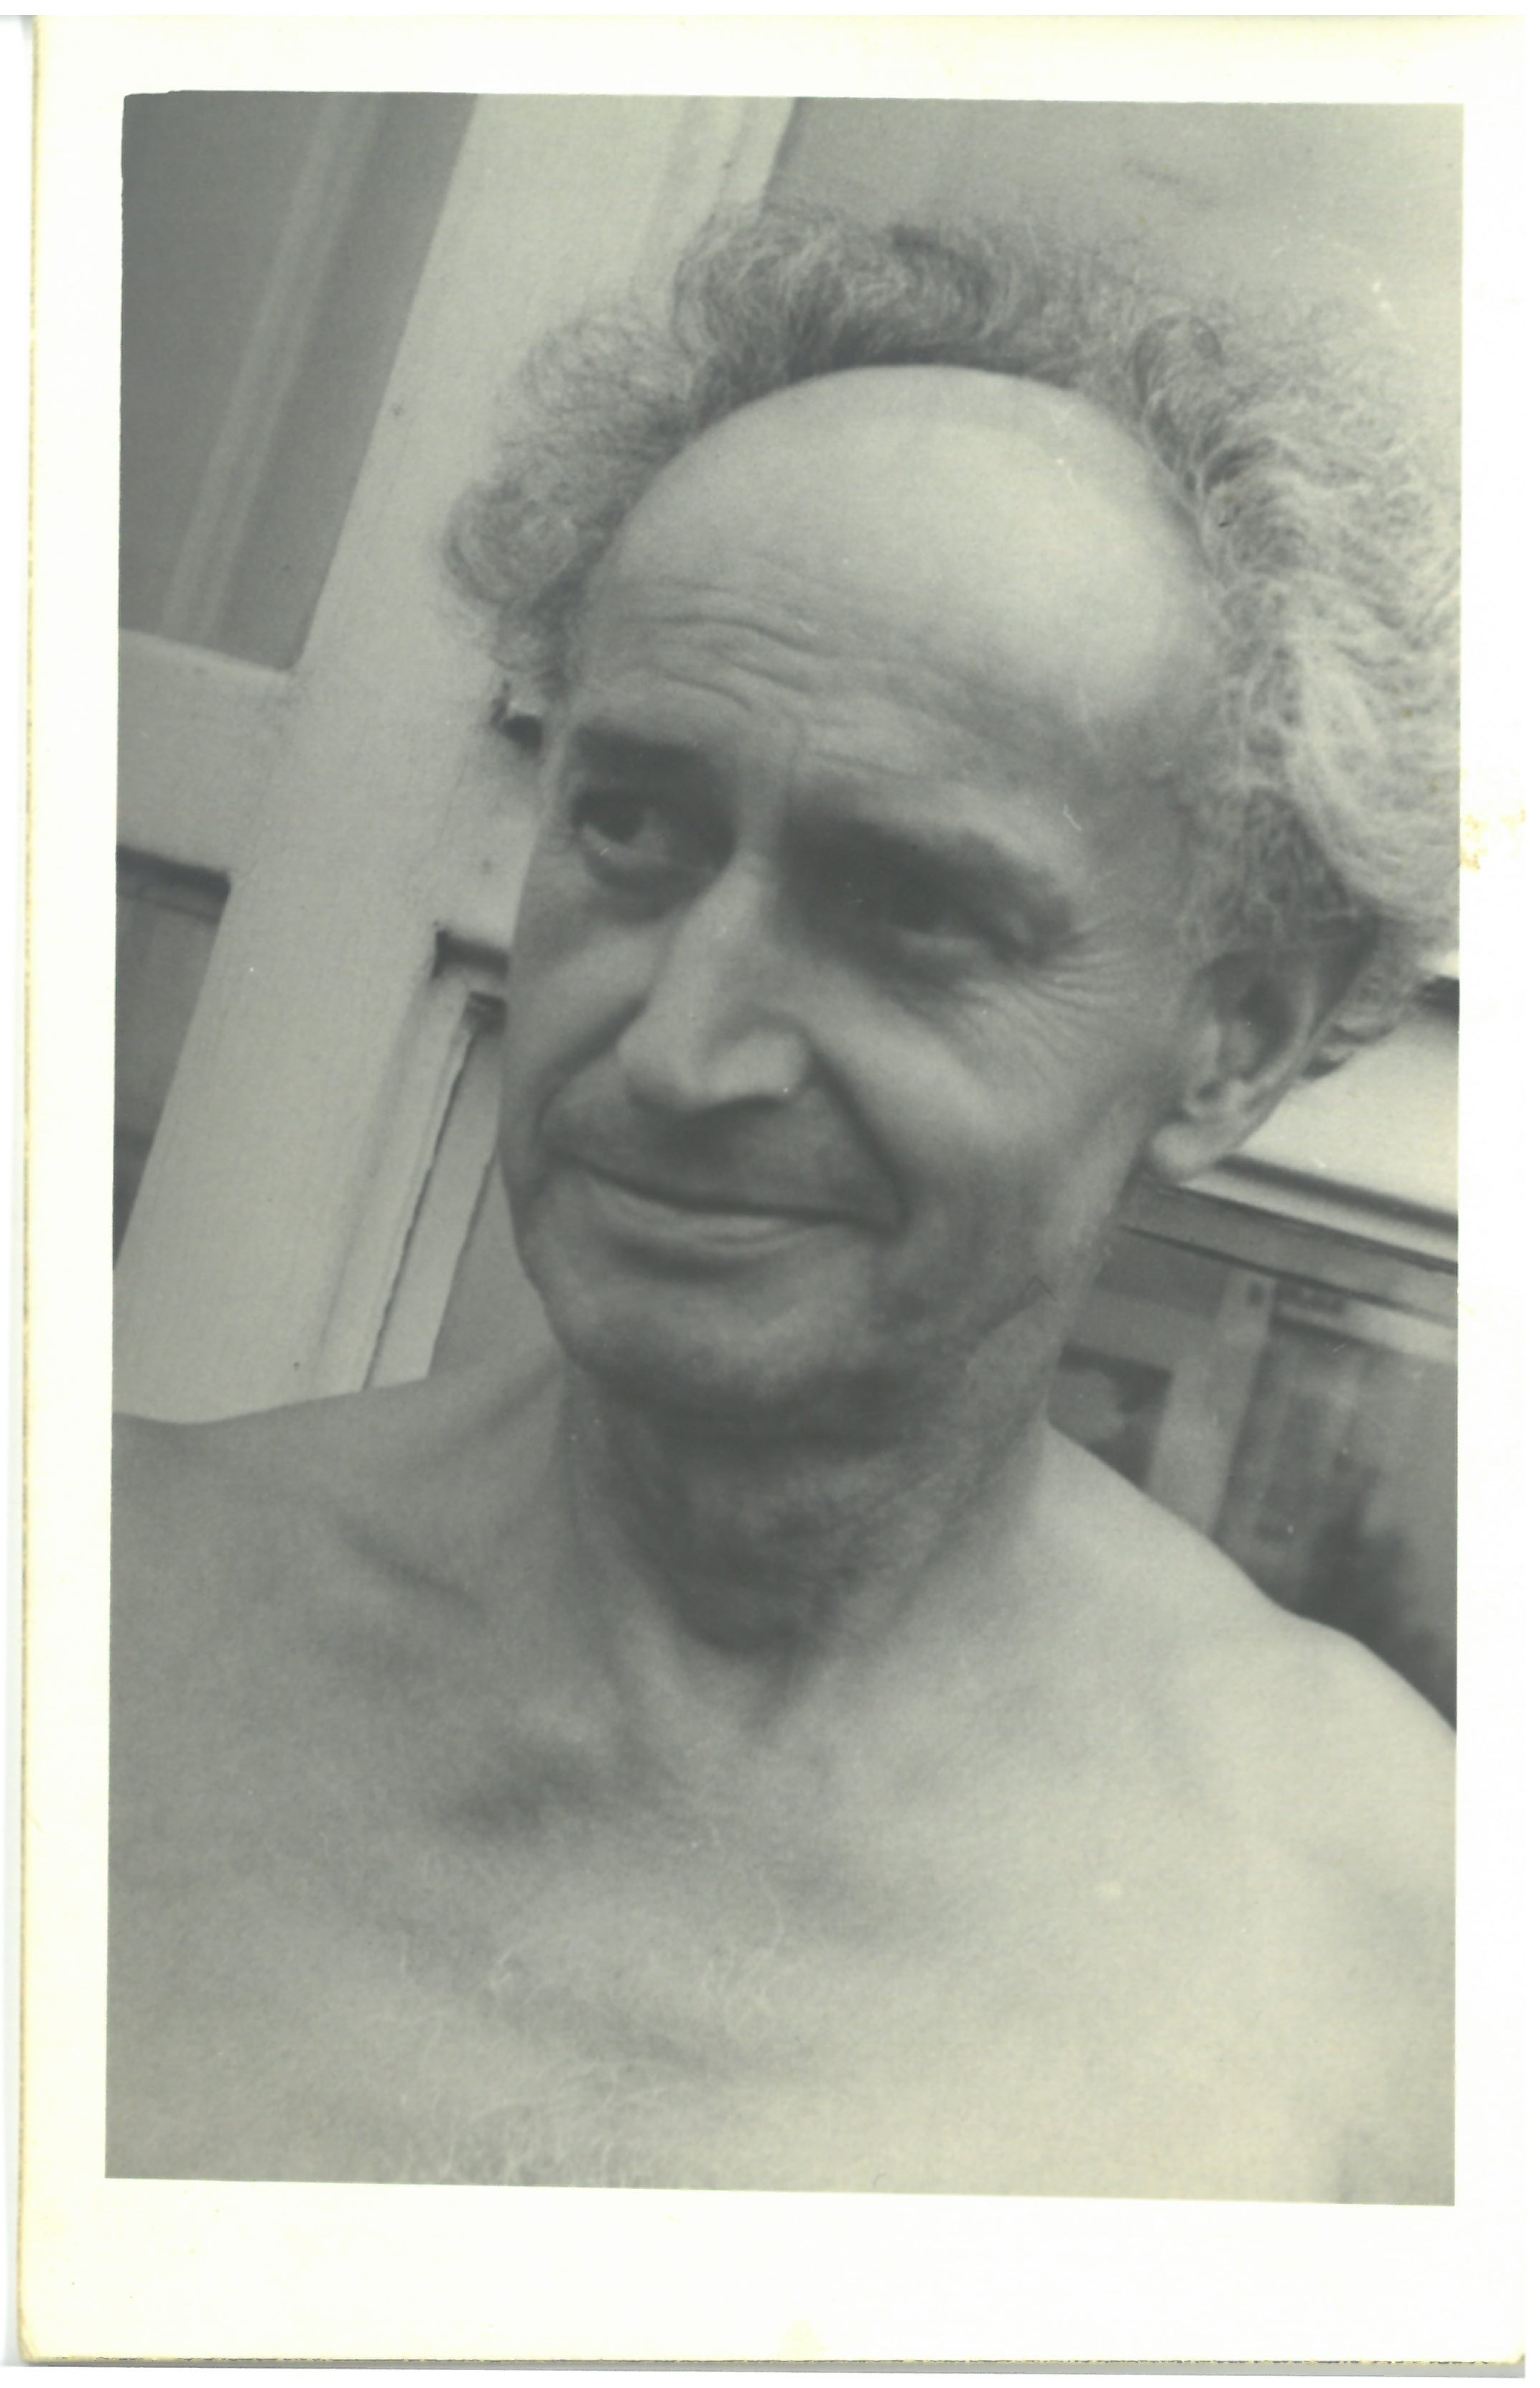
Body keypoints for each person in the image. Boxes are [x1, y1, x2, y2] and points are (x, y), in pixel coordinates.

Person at [109, 209, 1457, 2198]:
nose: (677, 1051)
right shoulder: (92, 1630)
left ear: (1232, 1044)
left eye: (912, 909)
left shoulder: (1402, 1954)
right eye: (629, 826)